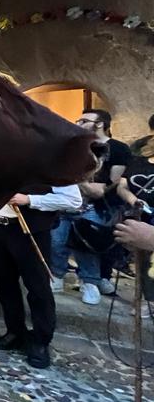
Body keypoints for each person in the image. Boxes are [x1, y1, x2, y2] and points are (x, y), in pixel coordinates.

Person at [0, 184, 82, 369]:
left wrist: (29, 200)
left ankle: (40, 341)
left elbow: (73, 200)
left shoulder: (51, 160)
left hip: (30, 230)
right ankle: (14, 331)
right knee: (4, 284)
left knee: (38, 287)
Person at [51, 109, 131, 304]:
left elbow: (106, 186)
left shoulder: (118, 149)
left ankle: (90, 282)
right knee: (56, 242)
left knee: (86, 246)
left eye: (85, 120)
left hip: (96, 207)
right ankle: (57, 277)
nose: (78, 122)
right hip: (65, 203)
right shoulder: (74, 146)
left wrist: (80, 182)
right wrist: (83, 183)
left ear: (100, 124)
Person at [116, 141, 154, 318]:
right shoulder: (139, 161)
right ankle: (147, 298)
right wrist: (134, 201)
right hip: (141, 216)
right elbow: (122, 186)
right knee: (143, 261)